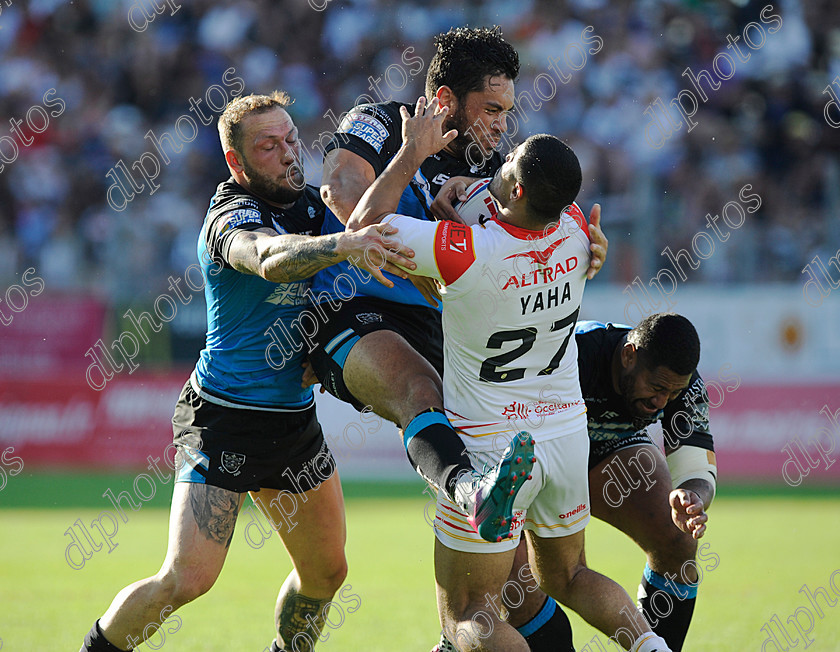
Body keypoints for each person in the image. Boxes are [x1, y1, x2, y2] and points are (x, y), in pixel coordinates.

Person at [78, 91, 415, 652]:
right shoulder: (228, 217)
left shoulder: (313, 204)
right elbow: (269, 259)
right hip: (223, 418)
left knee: (327, 574)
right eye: (268, 146)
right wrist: (346, 243)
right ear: (237, 163)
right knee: (187, 579)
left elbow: (395, 231)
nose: (288, 155)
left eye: (291, 140)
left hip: (292, 423)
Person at [347, 97, 672, 652]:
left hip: (491, 443)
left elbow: (362, 226)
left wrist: (410, 153)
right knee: (570, 576)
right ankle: (652, 647)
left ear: (518, 190)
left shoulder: (466, 252)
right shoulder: (573, 229)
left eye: (504, 167)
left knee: (470, 613)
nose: (493, 169)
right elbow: (507, 203)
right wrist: (455, 187)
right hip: (566, 431)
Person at [307, 26, 607, 547]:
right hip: (351, 305)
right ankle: (470, 494)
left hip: (435, 320)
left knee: (505, 577)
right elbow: (342, 191)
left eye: (507, 111)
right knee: (420, 392)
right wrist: (411, 158)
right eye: (491, 110)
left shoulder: (491, 163)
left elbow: (528, 235)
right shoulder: (380, 122)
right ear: (446, 100)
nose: (502, 125)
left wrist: (588, 247)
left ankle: (470, 617)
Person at [434, 313, 717, 652]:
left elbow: (697, 466)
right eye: (656, 388)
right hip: (527, 449)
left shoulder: (679, 384)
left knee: (677, 541)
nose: (661, 402)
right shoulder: (573, 352)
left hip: (603, 454)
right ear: (629, 355)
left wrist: (692, 496)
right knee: (521, 586)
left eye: (673, 393)